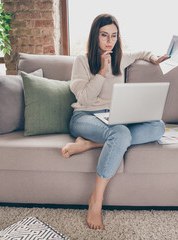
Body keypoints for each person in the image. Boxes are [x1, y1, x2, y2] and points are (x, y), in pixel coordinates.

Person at [61, 13, 170, 230]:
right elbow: (84, 99)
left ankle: (89, 144)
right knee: (120, 133)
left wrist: (154, 58)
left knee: (158, 126)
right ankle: (96, 200)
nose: (109, 41)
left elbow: (142, 52)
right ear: (95, 36)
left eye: (114, 36)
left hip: (113, 119)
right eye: (104, 35)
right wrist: (101, 71)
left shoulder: (120, 57)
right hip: (85, 117)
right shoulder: (82, 61)